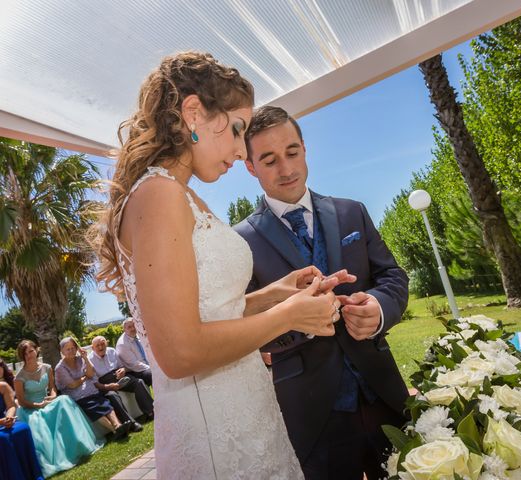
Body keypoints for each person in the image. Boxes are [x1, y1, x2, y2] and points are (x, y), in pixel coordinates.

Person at [89, 51, 352, 479]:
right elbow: (180, 351)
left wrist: (274, 294)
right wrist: (289, 315)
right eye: (235, 130)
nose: (238, 148)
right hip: (214, 435)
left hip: (245, 411)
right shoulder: (159, 195)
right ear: (193, 113)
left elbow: (207, 313)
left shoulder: (182, 193)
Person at [234, 106, 410, 480]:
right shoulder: (239, 242)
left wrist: (378, 308)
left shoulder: (352, 212)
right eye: (269, 160)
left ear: (304, 149)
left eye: (293, 152)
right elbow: (244, 326)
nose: (287, 168)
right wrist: (301, 321)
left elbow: (392, 276)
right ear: (250, 167)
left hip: (385, 393)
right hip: (311, 413)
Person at [14, 340, 103, 477]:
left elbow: (53, 389)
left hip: (47, 401)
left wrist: (52, 397)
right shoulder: (19, 377)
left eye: (30, 351)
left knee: (64, 400)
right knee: (37, 421)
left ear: (36, 350)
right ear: (22, 356)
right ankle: (53, 460)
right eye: (25, 354)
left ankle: (77, 447)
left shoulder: (47, 367)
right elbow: (21, 401)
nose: (29, 355)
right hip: (30, 408)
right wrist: (36, 405)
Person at [54, 337, 129, 441]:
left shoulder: (81, 359)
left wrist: (85, 358)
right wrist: (85, 377)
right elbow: (73, 385)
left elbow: (90, 373)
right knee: (94, 407)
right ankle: (115, 430)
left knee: (105, 403)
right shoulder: (60, 368)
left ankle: (118, 425)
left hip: (91, 391)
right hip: (77, 397)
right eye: (68, 349)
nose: (71, 351)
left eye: (73, 348)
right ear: (62, 351)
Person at [90, 335, 154, 422]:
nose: (101, 347)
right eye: (97, 345)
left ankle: (151, 412)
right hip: (105, 382)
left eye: (103, 343)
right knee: (112, 395)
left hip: (119, 376)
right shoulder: (89, 359)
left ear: (106, 343)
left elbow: (122, 366)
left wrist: (123, 370)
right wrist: (108, 386)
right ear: (92, 347)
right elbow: (95, 382)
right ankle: (130, 423)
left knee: (138, 382)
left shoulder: (111, 351)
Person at [0, 380, 43, 480]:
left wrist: (9, 417)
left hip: (4, 423)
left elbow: (11, 406)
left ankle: (32, 474)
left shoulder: (3, 386)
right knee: (2, 438)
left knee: (23, 429)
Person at [115, 318, 152, 387]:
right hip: (134, 371)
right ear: (124, 329)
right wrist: (151, 368)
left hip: (144, 366)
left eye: (134, 325)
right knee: (152, 374)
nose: (133, 329)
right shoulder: (122, 344)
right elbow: (134, 365)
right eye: (129, 327)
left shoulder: (138, 336)